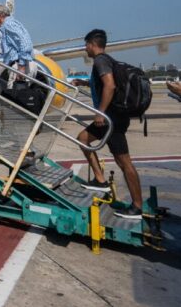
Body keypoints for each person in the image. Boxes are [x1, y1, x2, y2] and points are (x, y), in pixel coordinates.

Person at [71, 29, 143, 220]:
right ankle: (100, 180)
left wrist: (100, 112)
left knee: (124, 162)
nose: (85, 49)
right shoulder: (107, 60)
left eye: (86, 45)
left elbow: (110, 85)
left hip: (111, 119)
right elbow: (105, 84)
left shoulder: (100, 61)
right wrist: (85, 83)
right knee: (83, 139)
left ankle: (137, 206)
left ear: (92, 45)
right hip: (114, 117)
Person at [0, 3, 36, 89]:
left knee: (14, 96)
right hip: (22, 66)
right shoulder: (12, 24)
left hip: (20, 67)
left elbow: (25, 43)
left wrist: (21, 67)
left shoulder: (8, 24)